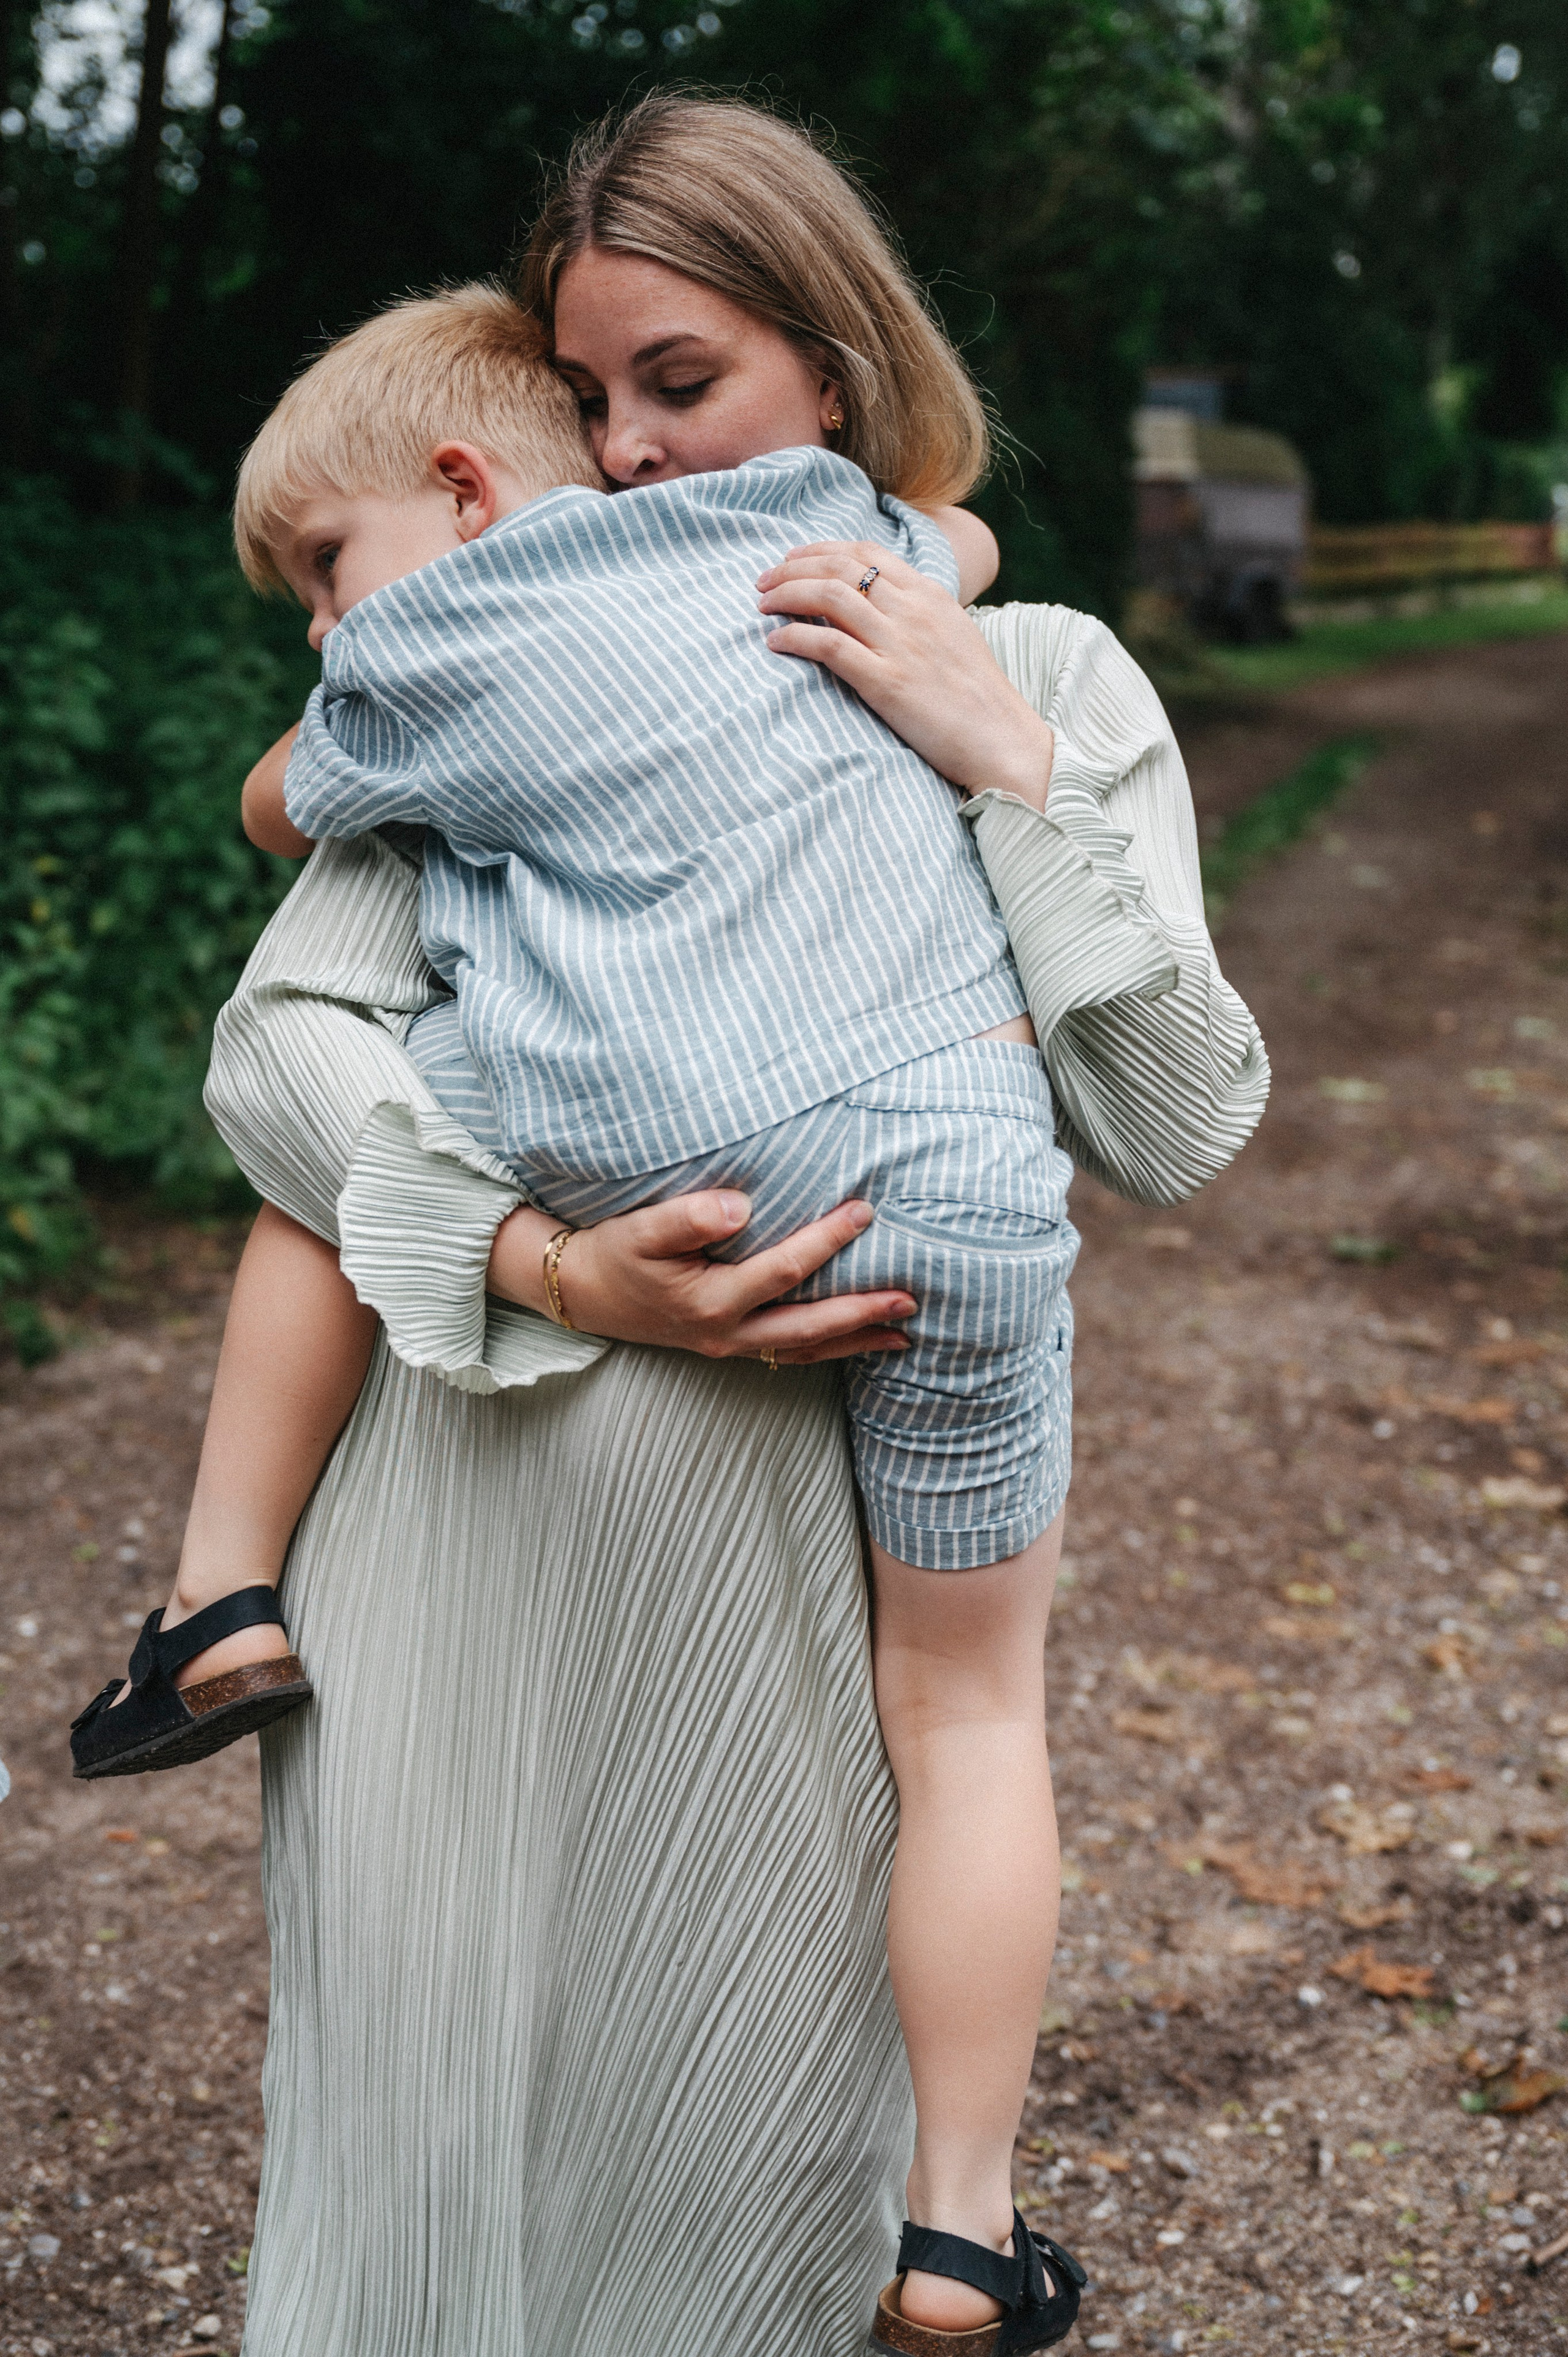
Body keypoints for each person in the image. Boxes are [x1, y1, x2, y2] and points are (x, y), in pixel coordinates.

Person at [187, 93, 1269, 2357]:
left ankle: (943, 2241)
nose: (635, 453)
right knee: (422, 2212)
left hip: (778, 1669)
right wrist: (542, 1262)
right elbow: (280, 1065)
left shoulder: (1050, 676)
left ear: (840, 377)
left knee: (732, 2233)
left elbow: (1172, 1124)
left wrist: (1000, 758)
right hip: (459, 1558)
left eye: (681, 384)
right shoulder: (516, 675)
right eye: (588, 402)